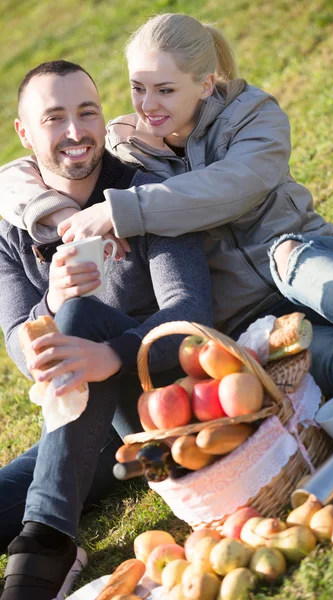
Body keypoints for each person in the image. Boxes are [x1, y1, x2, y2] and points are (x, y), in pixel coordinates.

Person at [0, 13, 333, 412]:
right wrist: (63, 216)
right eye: (138, 88)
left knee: (287, 253)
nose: (148, 104)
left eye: (166, 89)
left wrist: (120, 210)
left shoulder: (254, 116)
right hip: (253, 321)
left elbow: (230, 187)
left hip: (328, 269)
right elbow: (15, 176)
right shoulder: (128, 143)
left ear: (206, 84)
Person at [0, 59, 213, 600]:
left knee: (81, 318)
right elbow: (21, 351)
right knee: (66, 311)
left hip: (164, 408)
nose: (76, 132)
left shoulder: (146, 194)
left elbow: (192, 315)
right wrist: (53, 297)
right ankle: (46, 534)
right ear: (24, 133)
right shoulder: (10, 227)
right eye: (54, 118)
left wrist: (113, 354)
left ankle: (47, 542)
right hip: (85, 430)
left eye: (86, 112)